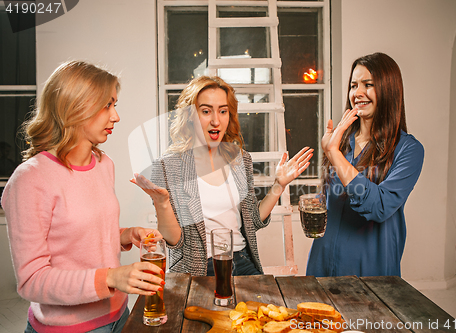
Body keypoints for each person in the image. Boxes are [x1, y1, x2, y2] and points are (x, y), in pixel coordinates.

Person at [1, 61, 165, 333]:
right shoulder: (30, 179)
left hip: (120, 316)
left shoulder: (103, 164)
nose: (116, 116)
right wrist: (112, 278)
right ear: (75, 106)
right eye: (107, 105)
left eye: (115, 105)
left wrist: (126, 235)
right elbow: (32, 280)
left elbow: (84, 238)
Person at [132, 76, 313, 276]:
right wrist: (162, 202)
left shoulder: (240, 160)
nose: (216, 120)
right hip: (198, 268)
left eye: (223, 111)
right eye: (206, 111)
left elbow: (252, 220)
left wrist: (279, 184)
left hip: (242, 261)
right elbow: (174, 241)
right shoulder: (168, 165)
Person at [306, 53, 424, 277]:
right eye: (353, 85)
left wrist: (333, 154)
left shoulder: (409, 150)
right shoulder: (340, 141)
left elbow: (379, 206)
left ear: (389, 90)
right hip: (322, 263)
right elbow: (329, 200)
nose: (357, 93)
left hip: (369, 269)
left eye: (368, 85)